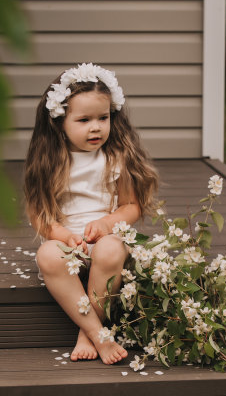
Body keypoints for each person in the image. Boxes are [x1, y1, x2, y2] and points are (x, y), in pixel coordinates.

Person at [24, 63, 158, 365]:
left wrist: (107, 223)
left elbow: (131, 206)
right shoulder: (51, 162)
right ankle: (100, 332)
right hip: (71, 244)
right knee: (47, 255)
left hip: (108, 240)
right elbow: (41, 216)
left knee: (110, 249)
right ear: (60, 122)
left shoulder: (116, 158)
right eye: (84, 120)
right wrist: (66, 237)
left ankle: (90, 333)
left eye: (103, 118)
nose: (95, 127)